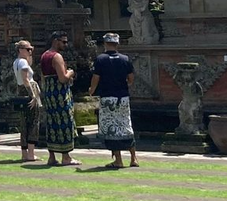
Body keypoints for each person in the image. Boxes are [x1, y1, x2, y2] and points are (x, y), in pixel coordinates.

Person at [89, 33, 138, 169]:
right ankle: (134, 158)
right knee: (126, 126)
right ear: (117, 44)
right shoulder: (125, 59)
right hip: (122, 97)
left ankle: (118, 160)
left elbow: (96, 78)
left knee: (112, 129)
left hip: (107, 97)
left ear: (105, 43)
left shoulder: (100, 59)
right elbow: (131, 78)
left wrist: (92, 90)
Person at [38, 31, 79, 167]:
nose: (65, 45)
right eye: (64, 42)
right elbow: (62, 78)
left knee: (52, 124)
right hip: (60, 94)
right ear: (56, 41)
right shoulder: (56, 56)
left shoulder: (44, 56)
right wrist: (71, 72)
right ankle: (66, 157)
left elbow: (43, 77)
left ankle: (52, 156)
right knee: (64, 123)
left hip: (49, 94)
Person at [12, 39, 42, 163]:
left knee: (24, 123)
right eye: (27, 49)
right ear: (20, 50)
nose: (30, 51)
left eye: (31, 49)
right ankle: (31, 153)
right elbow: (26, 80)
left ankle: (25, 153)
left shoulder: (17, 62)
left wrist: (29, 55)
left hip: (20, 92)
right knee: (33, 122)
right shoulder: (23, 62)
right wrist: (33, 96)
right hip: (28, 91)